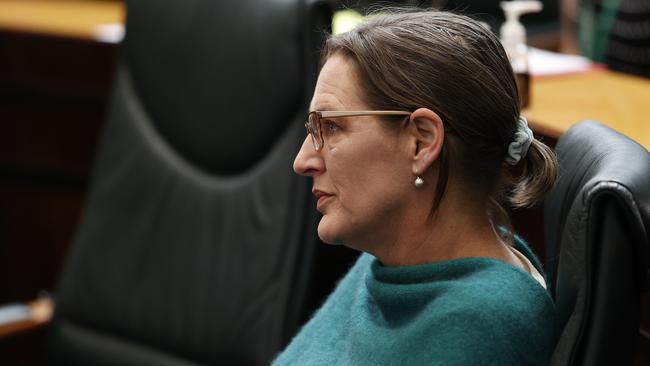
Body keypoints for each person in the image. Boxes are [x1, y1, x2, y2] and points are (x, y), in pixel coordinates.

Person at [273, 9, 558, 366]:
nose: (303, 161)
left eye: (330, 128)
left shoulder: (472, 330)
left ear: (421, 142)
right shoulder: (396, 259)